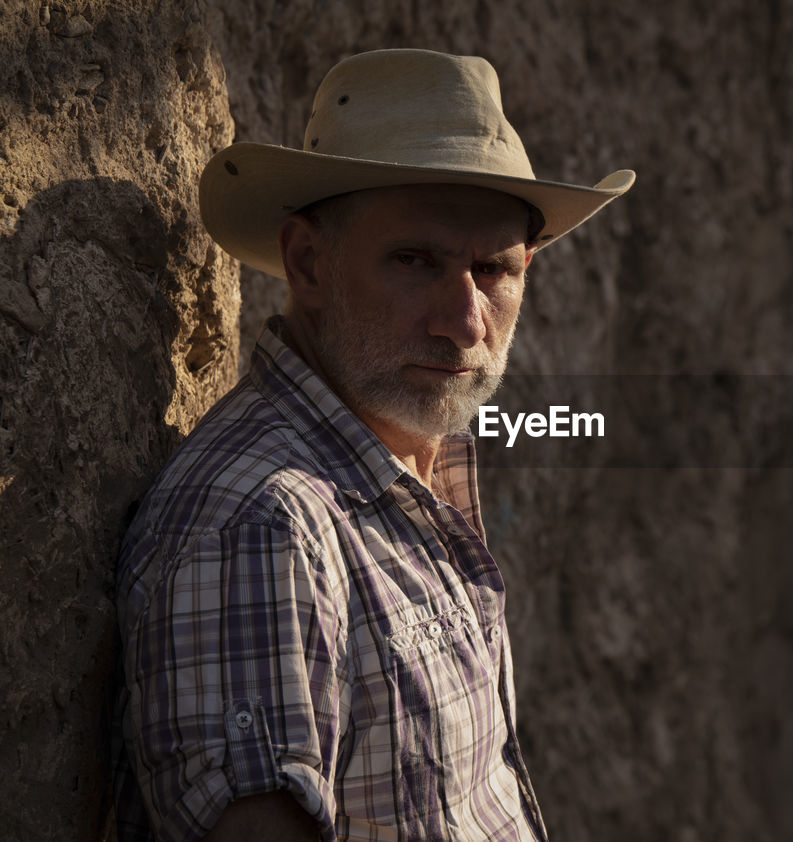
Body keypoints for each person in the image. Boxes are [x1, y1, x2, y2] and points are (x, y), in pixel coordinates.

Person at [114, 48, 634, 842]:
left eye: (492, 270)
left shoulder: (415, 458)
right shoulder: (264, 525)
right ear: (308, 262)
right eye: (415, 260)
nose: (464, 324)